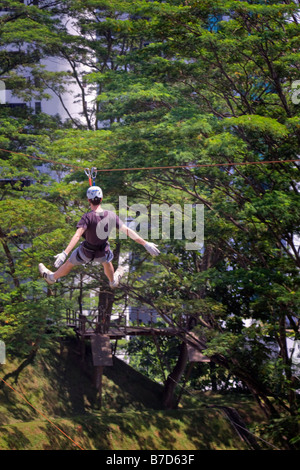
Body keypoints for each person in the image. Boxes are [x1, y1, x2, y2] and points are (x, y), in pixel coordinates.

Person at [39, 186, 160, 289]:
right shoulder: (111, 215)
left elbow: (77, 235)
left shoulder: (87, 217)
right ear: (101, 199)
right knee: (107, 261)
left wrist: (65, 253)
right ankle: (112, 281)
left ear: (88, 200)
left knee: (69, 263)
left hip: (86, 252)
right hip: (102, 252)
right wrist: (145, 243)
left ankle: (52, 277)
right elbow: (127, 231)